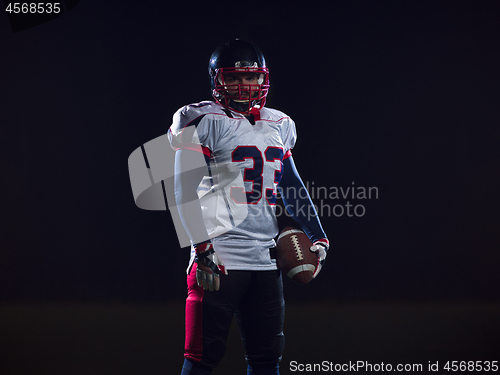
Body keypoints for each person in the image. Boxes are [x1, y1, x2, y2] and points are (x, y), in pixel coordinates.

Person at [168, 39, 329, 375]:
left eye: (251, 77)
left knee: (267, 358)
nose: (244, 86)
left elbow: (291, 185)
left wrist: (318, 234)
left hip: (266, 259)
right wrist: (202, 248)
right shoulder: (203, 119)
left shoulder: (279, 124)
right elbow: (184, 192)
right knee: (201, 357)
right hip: (219, 257)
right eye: (233, 78)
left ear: (263, 79)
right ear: (217, 81)